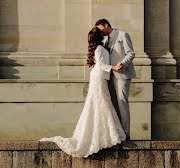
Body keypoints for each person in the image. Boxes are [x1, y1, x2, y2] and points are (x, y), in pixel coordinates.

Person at [40, 27, 126, 157]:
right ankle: (106, 134)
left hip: (99, 77)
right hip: (99, 77)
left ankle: (104, 133)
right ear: (100, 37)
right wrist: (114, 67)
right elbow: (102, 65)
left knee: (99, 103)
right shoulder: (100, 49)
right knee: (101, 103)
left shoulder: (99, 48)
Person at [95, 19, 135, 141]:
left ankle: (126, 134)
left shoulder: (123, 35)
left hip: (123, 74)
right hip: (110, 75)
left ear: (106, 25)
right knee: (113, 103)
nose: (100, 32)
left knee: (122, 101)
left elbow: (131, 53)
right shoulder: (105, 40)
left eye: (100, 29)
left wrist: (122, 64)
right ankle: (118, 133)